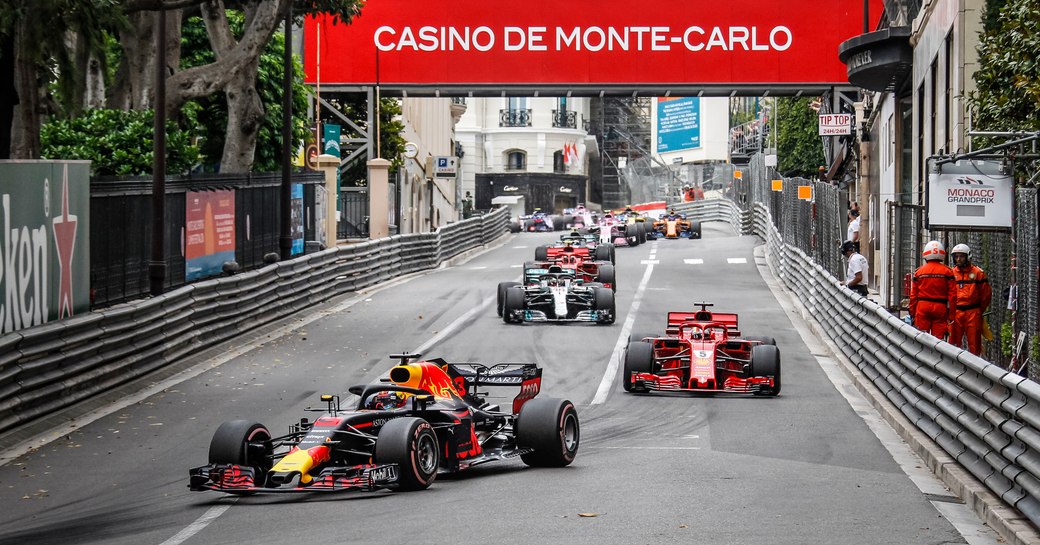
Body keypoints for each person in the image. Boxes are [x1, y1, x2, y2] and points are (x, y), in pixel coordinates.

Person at [949, 244, 992, 356]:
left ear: (968, 257)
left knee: (974, 344)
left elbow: (986, 294)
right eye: (956, 257)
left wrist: (978, 310)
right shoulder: (952, 273)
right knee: (953, 343)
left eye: (961, 256)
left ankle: (975, 368)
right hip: (957, 312)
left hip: (973, 312)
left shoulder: (978, 273)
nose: (958, 259)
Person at [909, 241, 957, 339]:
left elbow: (913, 295)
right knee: (938, 340)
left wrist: (912, 313)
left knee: (921, 337)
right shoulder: (948, 272)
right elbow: (953, 296)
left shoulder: (919, 272)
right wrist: (951, 316)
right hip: (940, 308)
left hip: (922, 307)